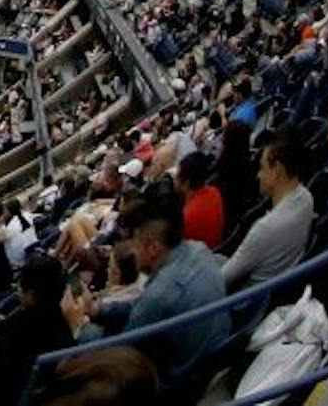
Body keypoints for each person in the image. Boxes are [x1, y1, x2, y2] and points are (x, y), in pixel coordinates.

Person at [117, 197, 224, 389]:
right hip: (213, 353)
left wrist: (80, 325)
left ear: (153, 248)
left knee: (92, 337)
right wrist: (99, 311)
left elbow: (121, 352)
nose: (133, 251)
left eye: (136, 245)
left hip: (181, 382)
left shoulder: (159, 294)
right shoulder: (200, 249)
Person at [0, 256, 72, 406]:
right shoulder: (62, 322)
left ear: (31, 294)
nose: (17, 290)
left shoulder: (16, 328)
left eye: (19, 286)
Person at [219, 133, 312, 290]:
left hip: (244, 303)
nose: (258, 175)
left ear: (277, 170)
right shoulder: (306, 198)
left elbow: (221, 279)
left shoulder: (265, 228)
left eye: (262, 168)